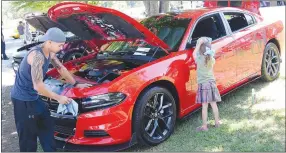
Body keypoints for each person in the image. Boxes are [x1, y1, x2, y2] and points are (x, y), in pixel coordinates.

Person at [11, 27, 92, 151]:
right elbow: (38, 86)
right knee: (28, 138)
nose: (61, 48)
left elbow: (61, 68)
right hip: (22, 100)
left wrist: (75, 84)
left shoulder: (51, 52)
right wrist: (59, 98)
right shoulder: (37, 56)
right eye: (60, 45)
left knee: (47, 124)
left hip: (34, 97)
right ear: (49, 42)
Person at [190, 37, 222, 132]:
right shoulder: (211, 59)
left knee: (205, 106)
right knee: (214, 104)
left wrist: (198, 44)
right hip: (211, 84)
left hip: (203, 85)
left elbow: (194, 53)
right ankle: (217, 122)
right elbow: (209, 52)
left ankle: (204, 126)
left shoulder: (199, 59)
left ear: (200, 50)